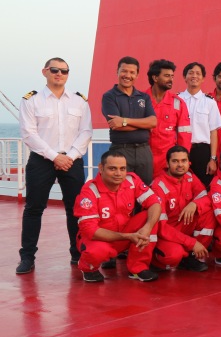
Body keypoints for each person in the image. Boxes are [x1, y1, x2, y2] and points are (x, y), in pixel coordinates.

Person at [16, 57, 92, 274]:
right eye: (55, 70)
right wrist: (54, 156)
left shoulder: (79, 101)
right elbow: (28, 133)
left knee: (75, 209)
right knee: (34, 208)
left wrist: (70, 156)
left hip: (72, 160)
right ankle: (27, 257)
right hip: (42, 160)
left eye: (64, 71)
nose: (59, 74)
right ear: (45, 72)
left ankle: (77, 253)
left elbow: (86, 131)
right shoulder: (31, 100)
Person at [73, 151, 162, 282]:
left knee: (149, 217)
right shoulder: (90, 191)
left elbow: (155, 202)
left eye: (122, 169)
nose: (118, 173)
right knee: (98, 251)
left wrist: (147, 228)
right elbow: (91, 231)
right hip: (100, 239)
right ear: (101, 168)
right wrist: (128, 236)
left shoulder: (131, 181)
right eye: (112, 168)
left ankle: (138, 268)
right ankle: (88, 267)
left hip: (125, 235)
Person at [149, 146, 216, 272]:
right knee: (174, 255)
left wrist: (194, 204)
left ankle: (190, 257)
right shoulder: (158, 186)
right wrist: (192, 243)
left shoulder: (190, 177)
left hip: (183, 226)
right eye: (175, 161)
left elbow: (207, 198)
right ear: (167, 163)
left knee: (208, 212)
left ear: (189, 163)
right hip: (164, 233)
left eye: (183, 161)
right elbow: (161, 227)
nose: (180, 165)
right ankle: (155, 260)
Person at [101, 56, 157, 184]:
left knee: (145, 189)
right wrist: (143, 125)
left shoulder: (144, 97)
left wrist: (125, 121)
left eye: (132, 72)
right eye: (124, 71)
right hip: (120, 151)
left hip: (144, 151)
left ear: (137, 75)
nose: (127, 75)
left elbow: (153, 122)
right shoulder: (109, 97)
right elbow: (116, 125)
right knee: (120, 189)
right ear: (117, 72)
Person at [178, 62, 221, 188]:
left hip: (202, 152)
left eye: (198, 73)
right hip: (180, 150)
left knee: (204, 187)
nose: (194, 76)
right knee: (181, 186)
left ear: (203, 78)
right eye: (191, 73)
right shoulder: (177, 100)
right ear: (185, 77)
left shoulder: (210, 102)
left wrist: (213, 159)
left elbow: (213, 132)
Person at [145, 59, 192, 178]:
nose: (171, 79)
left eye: (172, 76)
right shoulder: (141, 100)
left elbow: (184, 135)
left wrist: (182, 159)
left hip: (167, 161)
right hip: (143, 158)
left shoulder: (178, 103)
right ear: (155, 78)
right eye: (166, 76)